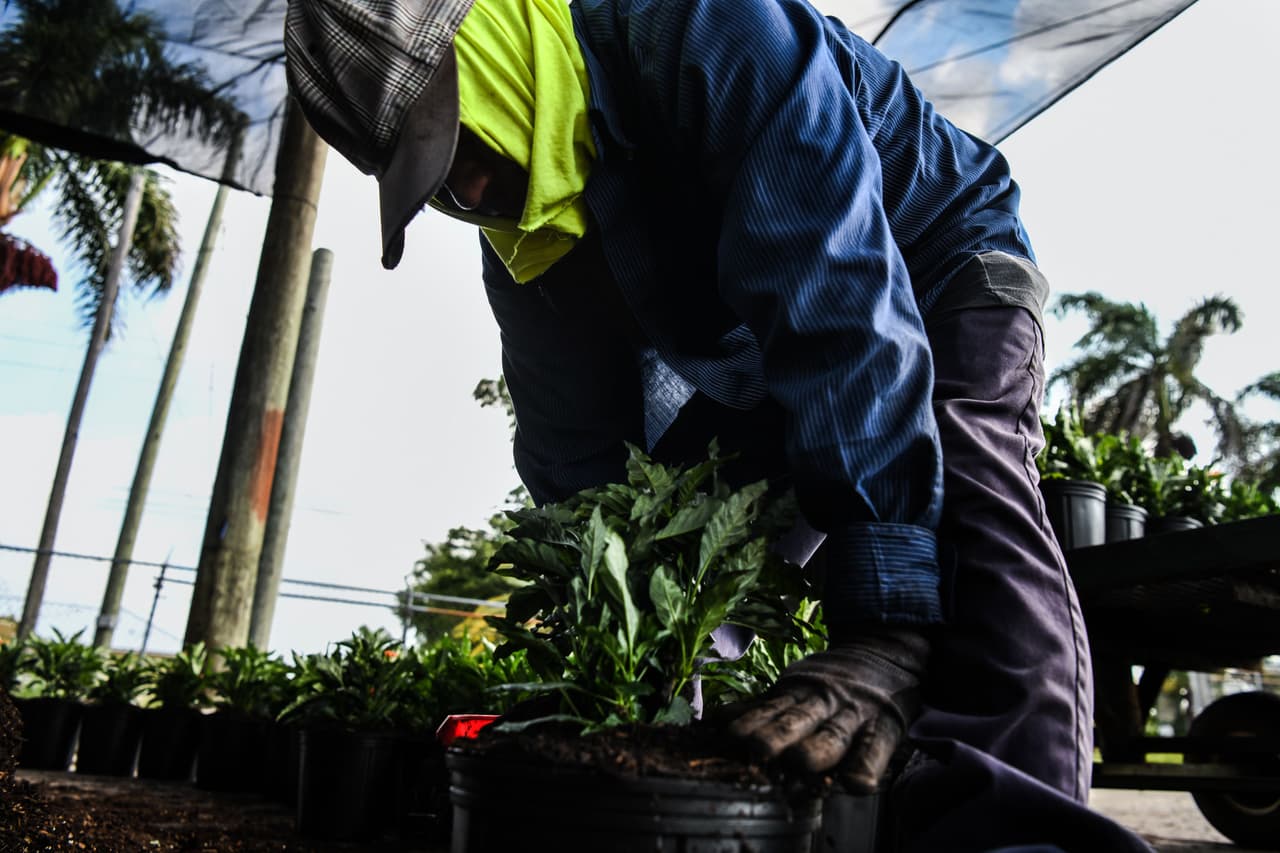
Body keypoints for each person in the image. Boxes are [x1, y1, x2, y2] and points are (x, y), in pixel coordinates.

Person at [284, 0, 1154, 849]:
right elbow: (576, 450)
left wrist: (885, 624)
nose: (465, 187)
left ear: (498, 49)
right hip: (780, 332)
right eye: (432, 175)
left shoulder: (698, 24)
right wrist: (607, 655)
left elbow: (833, 293)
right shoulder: (527, 233)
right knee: (684, 545)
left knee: (965, 480)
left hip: (937, 257)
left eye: (459, 139)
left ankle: (1021, 833)